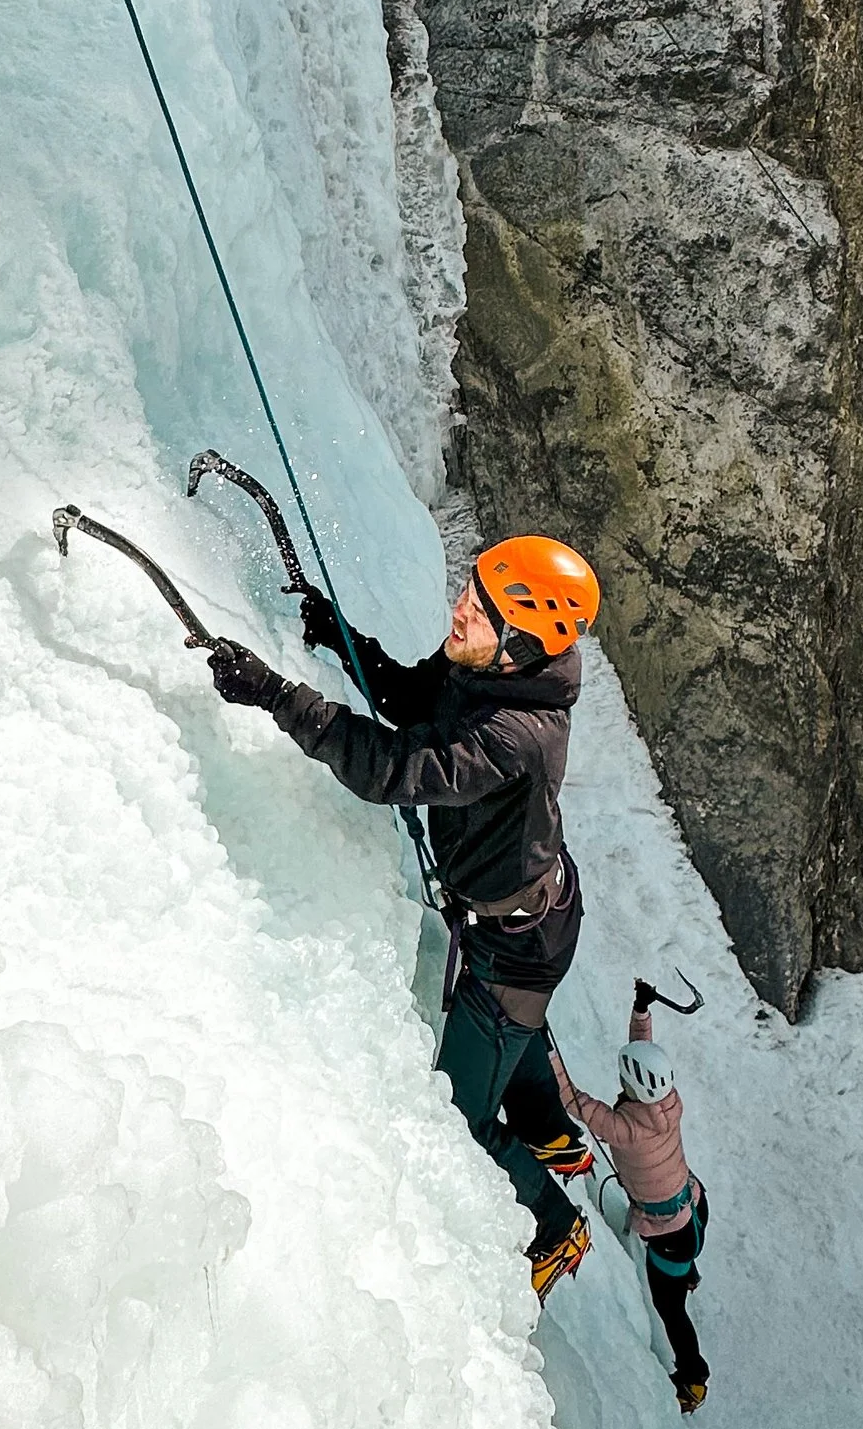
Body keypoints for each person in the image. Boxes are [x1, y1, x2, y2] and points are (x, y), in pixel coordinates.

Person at [206, 537, 602, 1300]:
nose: (460, 608)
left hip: (515, 946)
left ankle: (556, 1224)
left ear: (522, 639)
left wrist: (279, 696)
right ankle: (553, 1131)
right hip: (527, 917)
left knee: (463, 1109)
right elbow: (417, 700)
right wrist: (341, 635)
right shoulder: (491, 666)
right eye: (470, 590)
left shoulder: (515, 734)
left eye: (481, 608)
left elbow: (397, 768)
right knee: (517, 1034)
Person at [556, 985, 710, 1413]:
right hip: (694, 1204)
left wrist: (541, 1047)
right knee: (682, 1261)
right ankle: (688, 1274)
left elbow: (574, 1100)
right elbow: (645, 1056)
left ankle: (694, 1379)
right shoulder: (669, 1101)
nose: (621, 1083)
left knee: (670, 1309)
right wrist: (641, 1011)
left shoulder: (624, 1129)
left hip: (669, 1232)